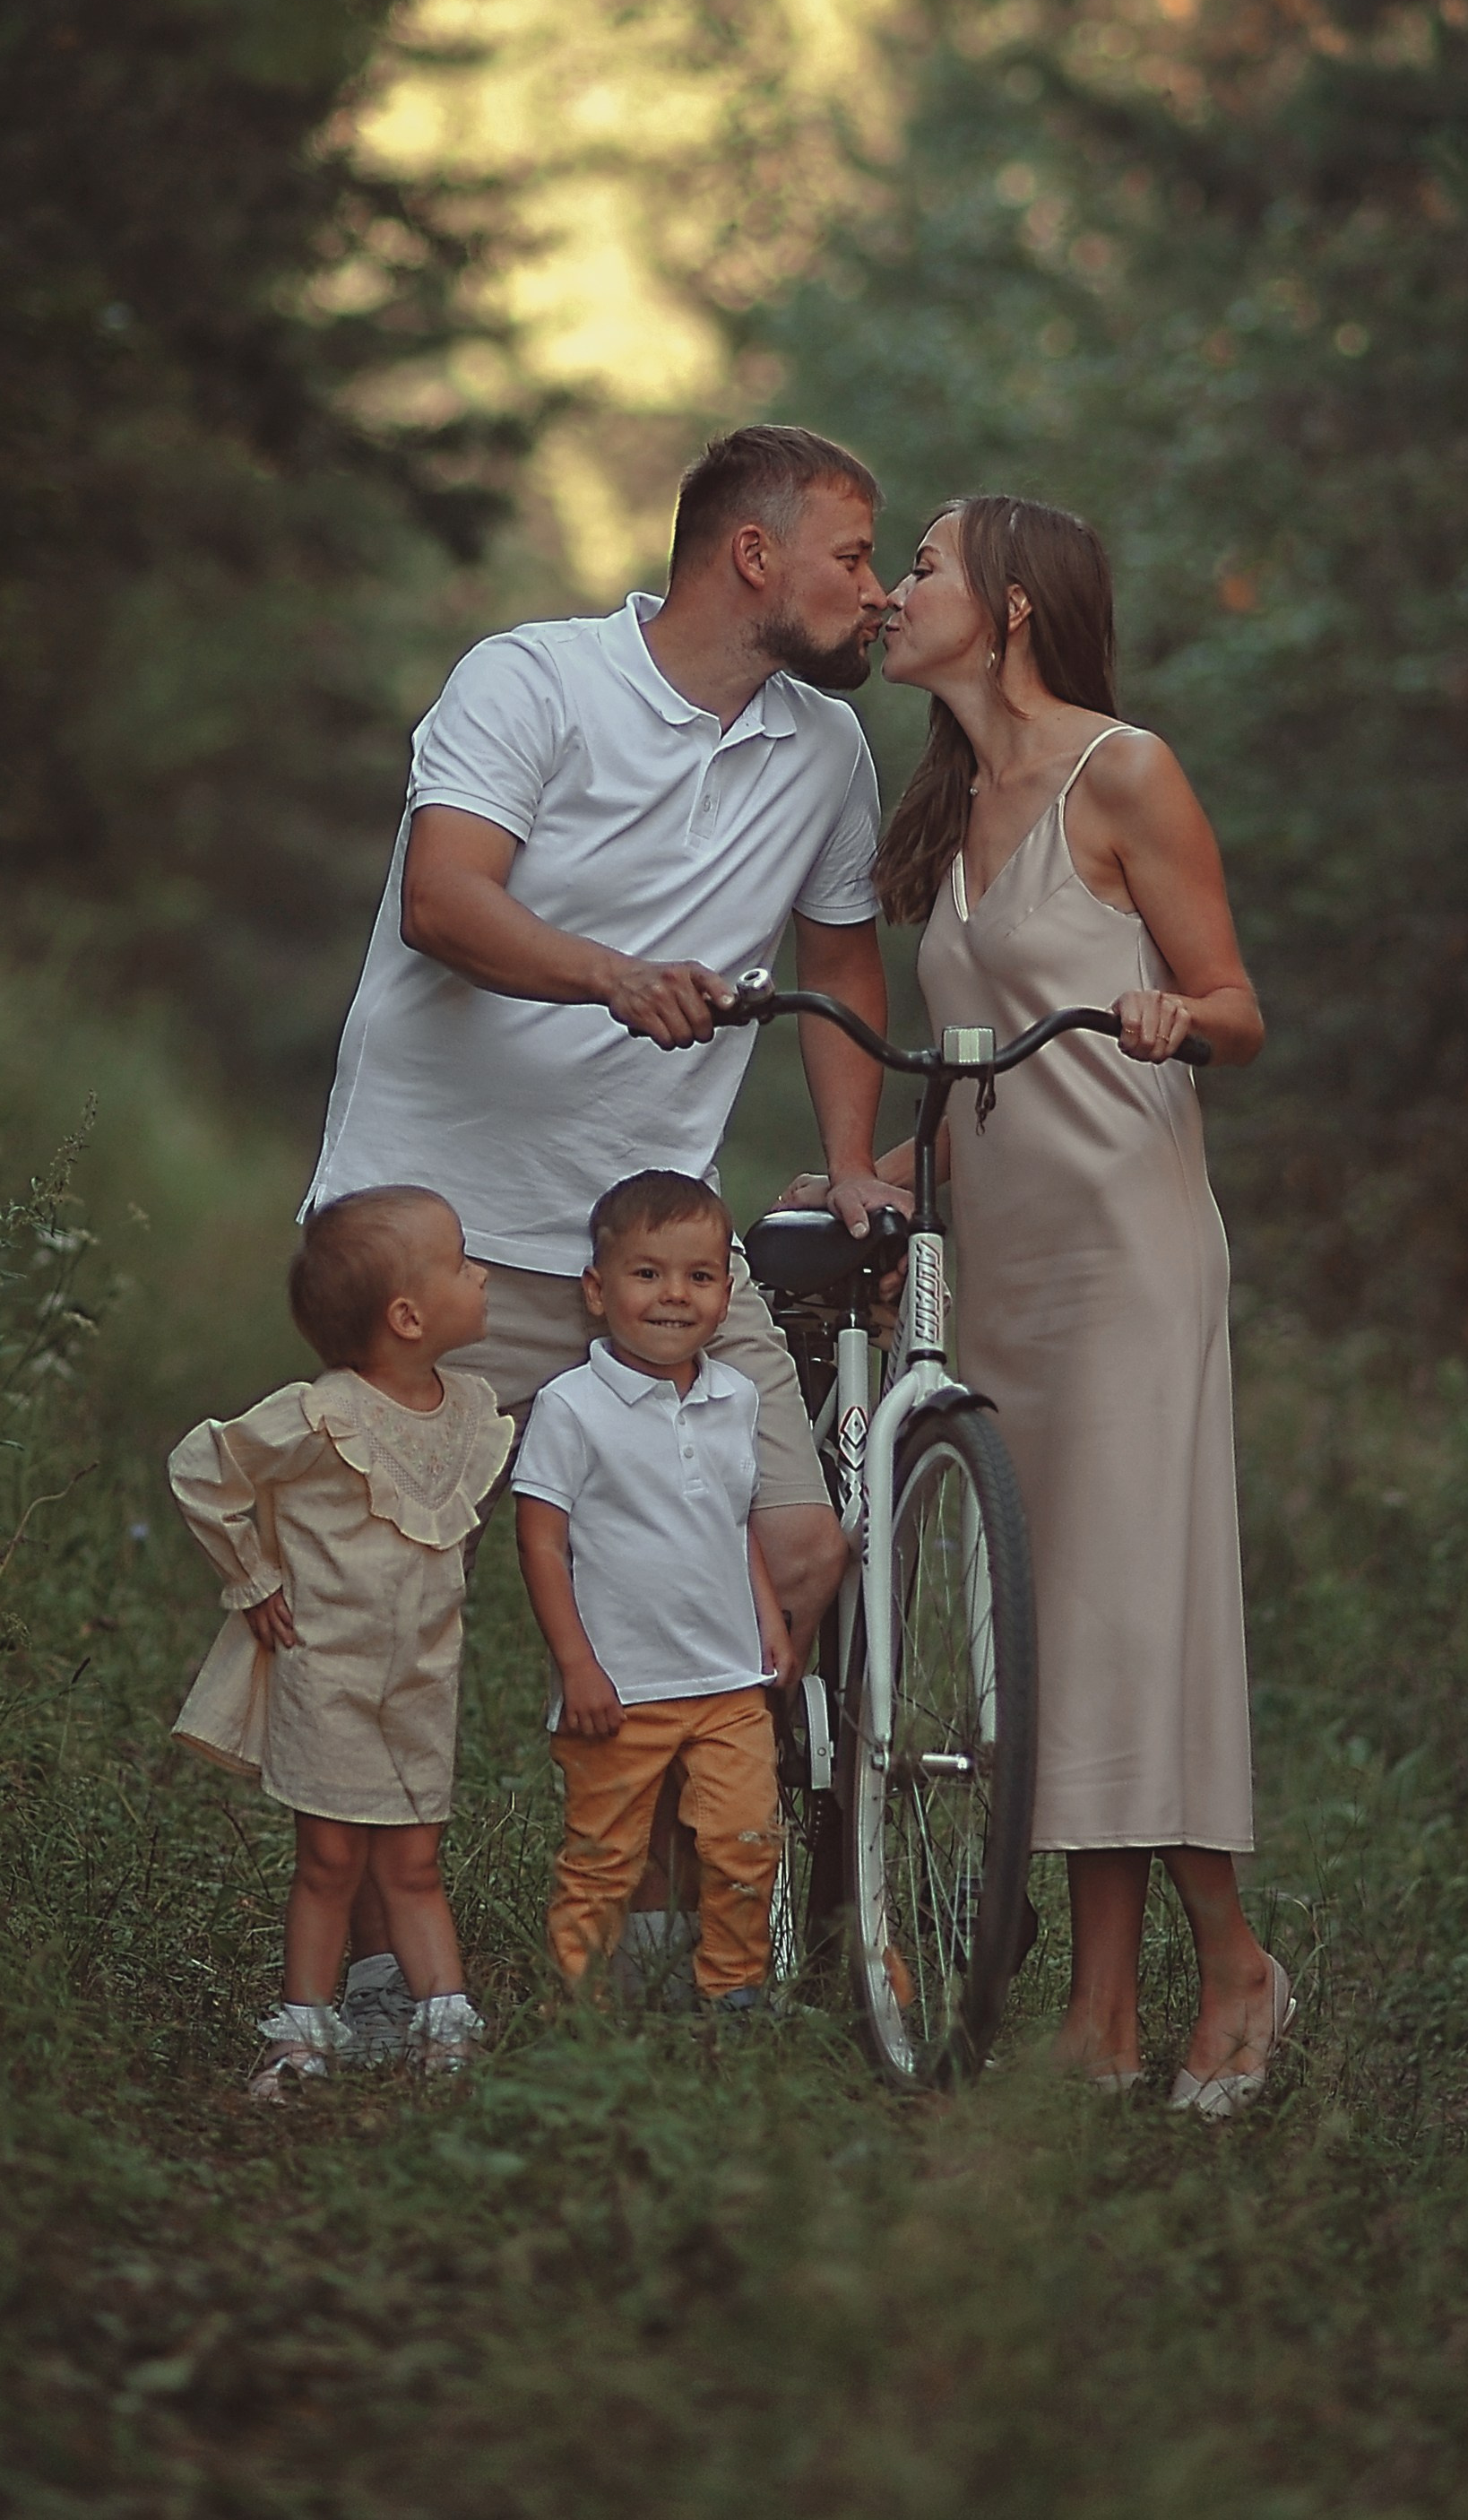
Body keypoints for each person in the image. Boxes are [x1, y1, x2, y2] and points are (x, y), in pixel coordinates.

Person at [307, 425, 905, 1986]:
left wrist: (851, 1161)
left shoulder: (828, 751)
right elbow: (442, 897)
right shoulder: (531, 679)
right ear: (752, 554)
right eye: (852, 556)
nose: (876, 591)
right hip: (436, 1228)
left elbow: (843, 962)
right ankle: (370, 1980)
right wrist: (611, 976)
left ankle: (656, 1937)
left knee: (789, 1545)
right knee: (390, 1611)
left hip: (653, 1248)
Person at [865, 493, 1290, 2115]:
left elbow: (1238, 1007)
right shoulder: (949, 803)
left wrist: (1177, 1015)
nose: (893, 588)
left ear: (1012, 604)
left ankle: (1230, 1961)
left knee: (1120, 1610)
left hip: (1126, 1247)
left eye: (920, 563)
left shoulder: (1123, 770)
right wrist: (880, 1179)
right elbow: (968, 1073)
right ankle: (1098, 2016)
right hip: (1006, 1262)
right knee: (1050, 1631)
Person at [168, 1186, 509, 2098]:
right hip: (330, 1677)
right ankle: (303, 2036)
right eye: (462, 1263)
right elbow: (203, 1469)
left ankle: (444, 2034)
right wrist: (252, 1579)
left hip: (422, 1681)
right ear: (407, 1317)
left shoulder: (468, 1410)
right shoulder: (323, 1414)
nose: (481, 1275)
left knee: (415, 1863)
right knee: (327, 1863)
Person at [512, 1171, 799, 2013]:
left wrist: (766, 1619)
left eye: (699, 1276)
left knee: (745, 1841)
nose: (675, 1295)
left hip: (727, 1683)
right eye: (648, 1274)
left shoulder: (735, 1397)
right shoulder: (571, 1406)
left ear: (725, 1293)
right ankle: (580, 2010)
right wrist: (577, 1667)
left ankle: (733, 1993)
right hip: (620, 1691)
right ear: (596, 1291)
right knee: (603, 1857)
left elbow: (734, 1518)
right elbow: (541, 1541)